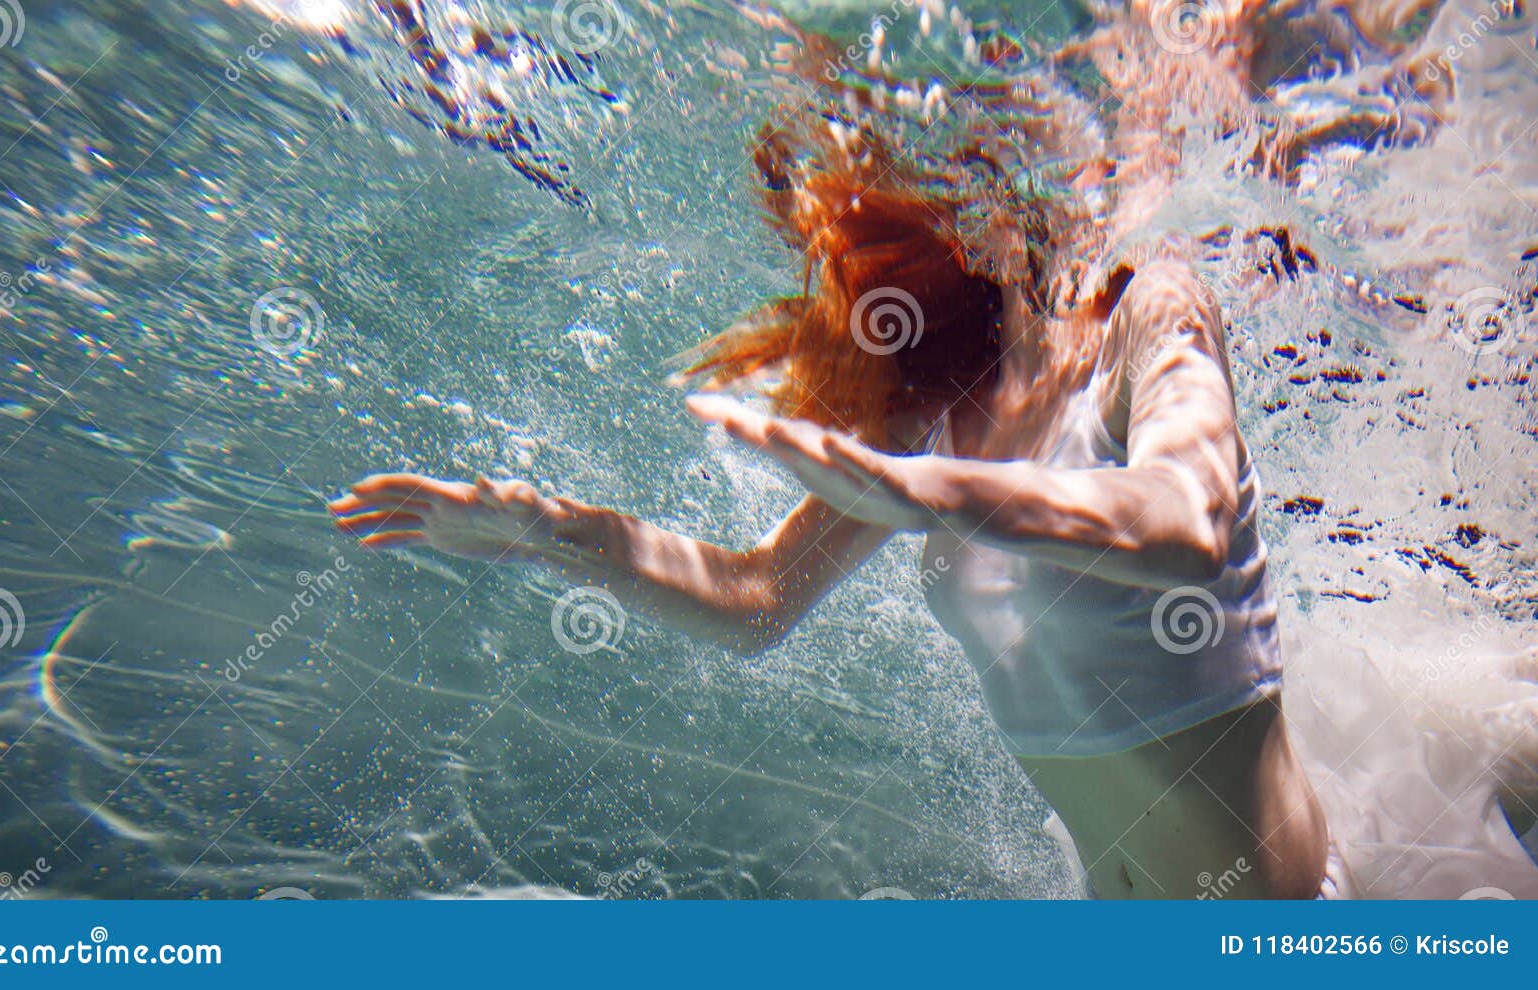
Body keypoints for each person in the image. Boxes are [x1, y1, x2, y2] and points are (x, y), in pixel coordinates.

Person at [328, 94, 1341, 897]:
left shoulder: (1148, 312)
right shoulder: (940, 411)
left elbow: (1191, 514)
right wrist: (547, 531)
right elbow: (756, 596)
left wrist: (932, 496)